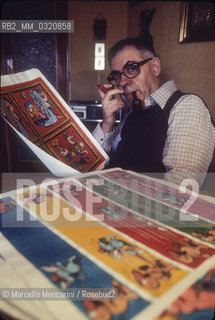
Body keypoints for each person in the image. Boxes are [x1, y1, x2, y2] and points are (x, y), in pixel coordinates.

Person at [93, 37, 215, 187]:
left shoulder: (187, 106)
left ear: (155, 67)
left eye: (131, 68)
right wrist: (107, 123)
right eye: (117, 76)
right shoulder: (132, 114)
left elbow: (180, 188)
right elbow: (96, 164)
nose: (123, 82)